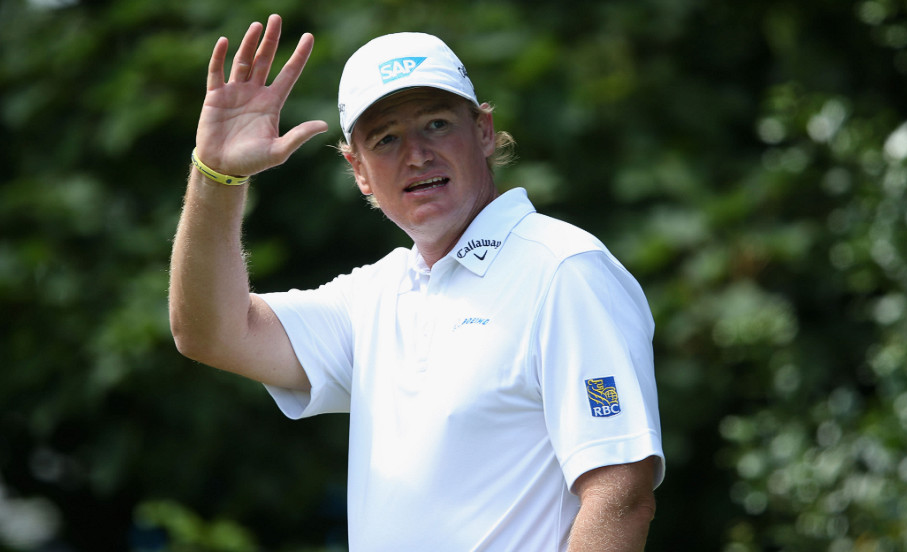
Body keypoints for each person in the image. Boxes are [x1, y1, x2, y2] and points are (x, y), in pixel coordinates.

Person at [169, 13, 665, 551]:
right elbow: (210, 332)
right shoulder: (375, 296)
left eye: (436, 124)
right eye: (385, 139)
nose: (417, 154)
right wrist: (218, 175)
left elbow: (620, 492)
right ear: (358, 170)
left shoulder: (565, 270)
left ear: (483, 131)